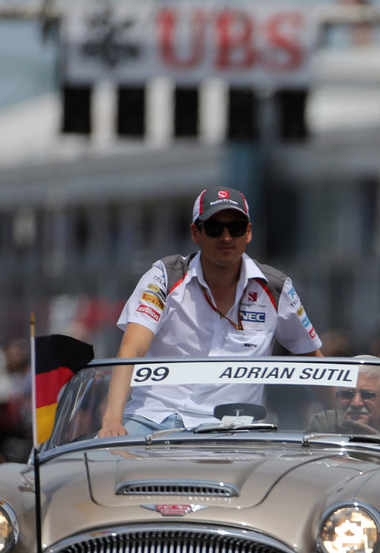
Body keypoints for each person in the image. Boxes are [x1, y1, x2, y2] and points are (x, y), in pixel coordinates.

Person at [99, 187, 323, 437]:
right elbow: (131, 349)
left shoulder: (276, 288)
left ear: (248, 233)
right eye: (215, 227)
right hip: (152, 417)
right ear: (196, 233)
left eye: (236, 228)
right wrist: (112, 419)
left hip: (234, 429)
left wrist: (346, 421)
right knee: (111, 466)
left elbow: (313, 360)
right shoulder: (164, 275)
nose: (226, 237)